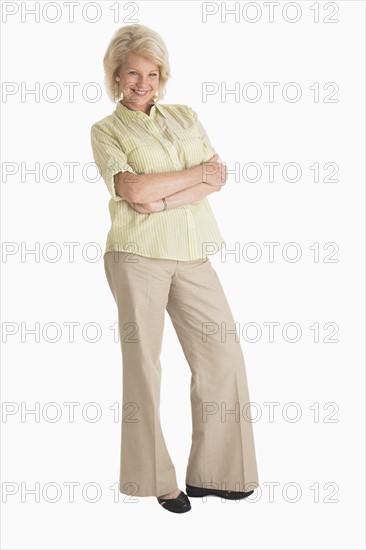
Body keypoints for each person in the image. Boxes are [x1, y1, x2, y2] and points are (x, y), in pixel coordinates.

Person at [90, 23, 259, 514]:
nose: (143, 83)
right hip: (136, 256)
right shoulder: (106, 130)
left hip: (194, 252)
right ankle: (156, 481)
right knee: (144, 369)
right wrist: (186, 180)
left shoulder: (185, 116)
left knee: (222, 357)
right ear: (116, 76)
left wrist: (162, 199)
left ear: (163, 76)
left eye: (152, 73)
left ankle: (219, 474)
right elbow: (132, 191)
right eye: (132, 74)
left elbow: (217, 177)